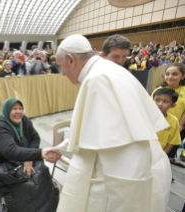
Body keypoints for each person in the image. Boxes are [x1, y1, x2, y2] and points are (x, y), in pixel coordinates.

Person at [53, 34, 171, 212]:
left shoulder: (96, 79)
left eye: (60, 66)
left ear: (70, 60)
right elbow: (94, 132)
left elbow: (97, 142)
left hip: (122, 180)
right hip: (139, 169)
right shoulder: (108, 70)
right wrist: (61, 148)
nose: (62, 73)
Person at [0, 98, 59, 212]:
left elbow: (35, 137)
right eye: (14, 109)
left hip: (21, 159)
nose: (18, 112)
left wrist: (29, 159)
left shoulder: (22, 119)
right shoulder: (1, 127)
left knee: (42, 172)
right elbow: (11, 151)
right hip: (6, 165)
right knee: (30, 184)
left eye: (20, 108)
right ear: (6, 111)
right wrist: (38, 154)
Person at [152, 63, 185, 168]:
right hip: (157, 126)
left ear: (182, 76)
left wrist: (179, 124)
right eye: (167, 74)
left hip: (176, 124)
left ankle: (169, 161)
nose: (170, 77)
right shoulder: (158, 90)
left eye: (175, 74)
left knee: (172, 144)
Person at [153, 88, 181, 155]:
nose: (160, 103)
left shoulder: (174, 121)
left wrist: (162, 155)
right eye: (157, 100)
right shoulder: (144, 115)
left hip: (159, 154)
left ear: (173, 105)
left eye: (165, 101)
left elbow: (172, 141)